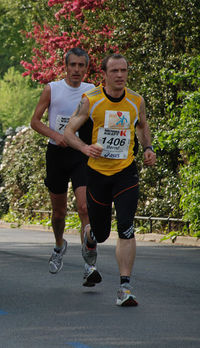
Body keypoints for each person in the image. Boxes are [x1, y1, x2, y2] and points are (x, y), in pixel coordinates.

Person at [64, 53, 157, 306]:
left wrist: (148, 148)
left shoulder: (136, 100)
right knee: (102, 233)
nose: (120, 75)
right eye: (114, 71)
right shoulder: (91, 100)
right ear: (104, 74)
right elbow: (68, 132)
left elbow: (142, 126)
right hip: (97, 174)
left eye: (123, 70)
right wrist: (85, 149)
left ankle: (125, 288)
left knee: (126, 227)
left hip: (125, 171)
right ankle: (90, 237)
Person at [30, 48, 96, 276]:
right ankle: (59, 245)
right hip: (57, 154)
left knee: (84, 207)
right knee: (59, 213)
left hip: (80, 154)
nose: (77, 70)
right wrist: (56, 135)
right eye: (73, 65)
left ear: (86, 68)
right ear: (65, 67)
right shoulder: (52, 89)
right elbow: (35, 121)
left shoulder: (93, 92)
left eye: (81, 66)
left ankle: (89, 263)